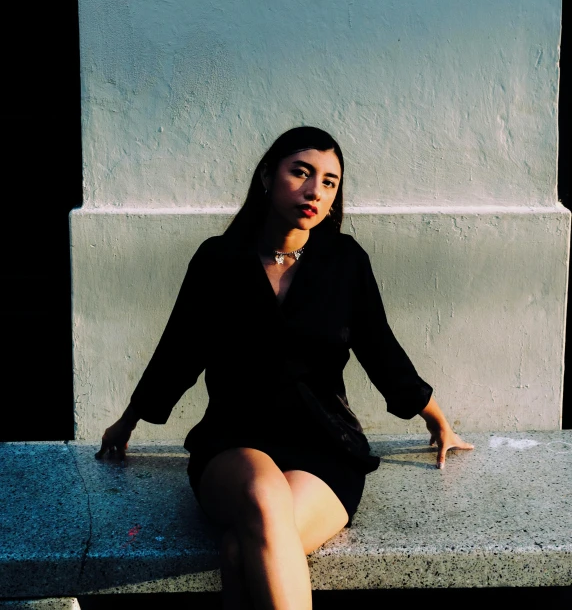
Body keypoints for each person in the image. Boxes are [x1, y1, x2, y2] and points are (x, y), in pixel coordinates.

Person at [96, 126, 474, 609]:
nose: (316, 190)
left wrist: (437, 419)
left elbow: (382, 351)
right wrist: (129, 420)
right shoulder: (219, 259)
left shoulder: (344, 262)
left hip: (325, 447)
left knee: (241, 549)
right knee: (263, 493)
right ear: (266, 177)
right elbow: (178, 350)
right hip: (233, 444)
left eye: (330, 182)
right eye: (301, 172)